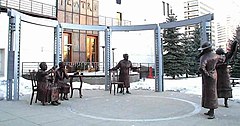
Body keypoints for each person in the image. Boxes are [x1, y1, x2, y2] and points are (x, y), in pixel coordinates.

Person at [198, 42, 224, 119]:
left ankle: (212, 112)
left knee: (210, 93)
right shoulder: (216, 56)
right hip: (214, 75)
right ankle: (210, 110)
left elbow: (202, 68)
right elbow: (223, 60)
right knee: (212, 92)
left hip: (208, 77)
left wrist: (207, 74)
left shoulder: (204, 57)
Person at [215, 40, 237, 108]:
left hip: (223, 75)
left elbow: (231, 53)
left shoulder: (225, 57)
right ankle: (217, 101)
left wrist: (234, 45)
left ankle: (225, 102)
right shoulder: (215, 58)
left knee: (225, 89)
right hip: (219, 75)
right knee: (216, 88)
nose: (220, 55)